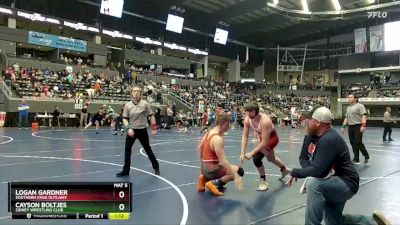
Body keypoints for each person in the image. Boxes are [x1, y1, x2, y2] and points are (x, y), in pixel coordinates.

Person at [286, 107, 392, 225]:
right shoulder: (310, 135)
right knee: (333, 222)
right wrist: (309, 170)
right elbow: (303, 158)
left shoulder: (329, 139)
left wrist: (296, 172)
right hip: (329, 181)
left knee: (313, 184)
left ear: (317, 122)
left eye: (309, 119)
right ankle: (372, 222)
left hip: (345, 183)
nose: (305, 121)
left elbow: (318, 171)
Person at [240, 102, 291, 191]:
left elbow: (265, 142)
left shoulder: (265, 120)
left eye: (250, 111)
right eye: (246, 112)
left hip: (272, 139)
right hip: (263, 139)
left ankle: (263, 182)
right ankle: (284, 169)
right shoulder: (247, 119)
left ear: (256, 111)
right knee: (271, 159)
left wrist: (252, 153)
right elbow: (245, 136)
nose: (248, 114)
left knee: (256, 158)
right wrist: (242, 152)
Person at [116, 86, 160, 177]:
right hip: (132, 130)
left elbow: (151, 116)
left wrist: (154, 128)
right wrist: (129, 128)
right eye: (134, 91)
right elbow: (124, 119)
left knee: (148, 149)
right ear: (131, 93)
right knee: (127, 151)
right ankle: (125, 170)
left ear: (140, 93)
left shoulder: (145, 104)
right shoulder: (127, 105)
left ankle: (156, 167)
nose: (136, 93)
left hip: (142, 130)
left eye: (138, 91)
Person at [197, 113, 244, 196]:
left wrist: (202, 164)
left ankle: (203, 179)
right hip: (211, 169)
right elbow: (223, 161)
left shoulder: (209, 132)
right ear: (221, 124)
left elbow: (200, 146)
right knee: (239, 172)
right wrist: (236, 177)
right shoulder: (217, 139)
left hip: (204, 168)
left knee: (225, 169)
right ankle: (213, 183)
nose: (229, 127)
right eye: (227, 124)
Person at [341, 94, 370, 164]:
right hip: (350, 127)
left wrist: (363, 126)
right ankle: (356, 159)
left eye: (351, 97)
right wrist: (343, 126)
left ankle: (367, 157)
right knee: (352, 143)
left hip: (358, 126)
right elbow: (346, 118)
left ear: (355, 99)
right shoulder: (348, 107)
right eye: (348, 97)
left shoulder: (360, 106)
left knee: (358, 142)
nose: (349, 98)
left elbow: (363, 116)